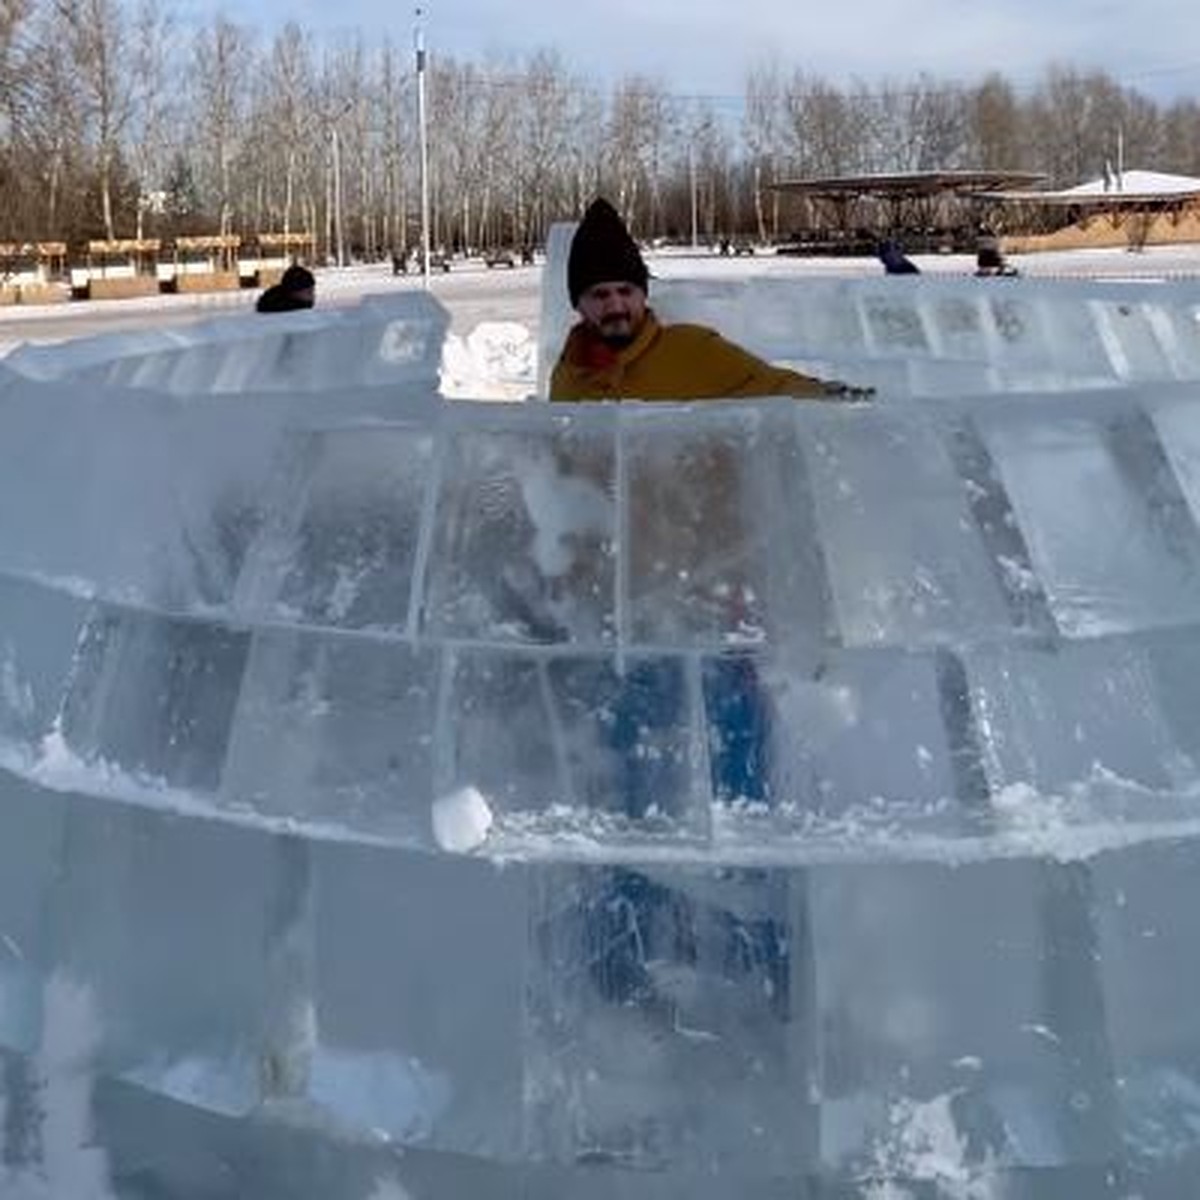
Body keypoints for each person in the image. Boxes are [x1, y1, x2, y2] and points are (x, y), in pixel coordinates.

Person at [550, 197, 870, 402]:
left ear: (643, 294)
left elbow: (773, 385)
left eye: (626, 291)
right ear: (578, 304)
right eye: (600, 295)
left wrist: (836, 396)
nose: (616, 306)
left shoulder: (692, 349)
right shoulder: (568, 373)